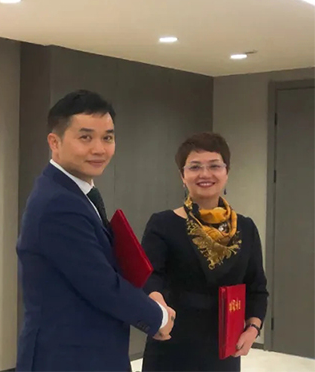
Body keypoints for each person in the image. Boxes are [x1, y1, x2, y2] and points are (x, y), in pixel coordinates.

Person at [16, 90, 175, 372]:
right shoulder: (58, 204)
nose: (100, 149)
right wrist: (157, 317)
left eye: (108, 138)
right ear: (54, 142)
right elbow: (101, 284)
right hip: (67, 359)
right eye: (85, 138)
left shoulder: (74, 192)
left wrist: (146, 297)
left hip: (90, 352)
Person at [140, 132, 269, 371]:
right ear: (183, 176)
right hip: (172, 343)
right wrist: (157, 305)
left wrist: (253, 328)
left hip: (225, 346)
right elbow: (148, 276)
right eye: (195, 167)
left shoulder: (246, 228)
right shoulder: (163, 224)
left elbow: (257, 287)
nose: (205, 174)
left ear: (227, 172)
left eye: (214, 166)